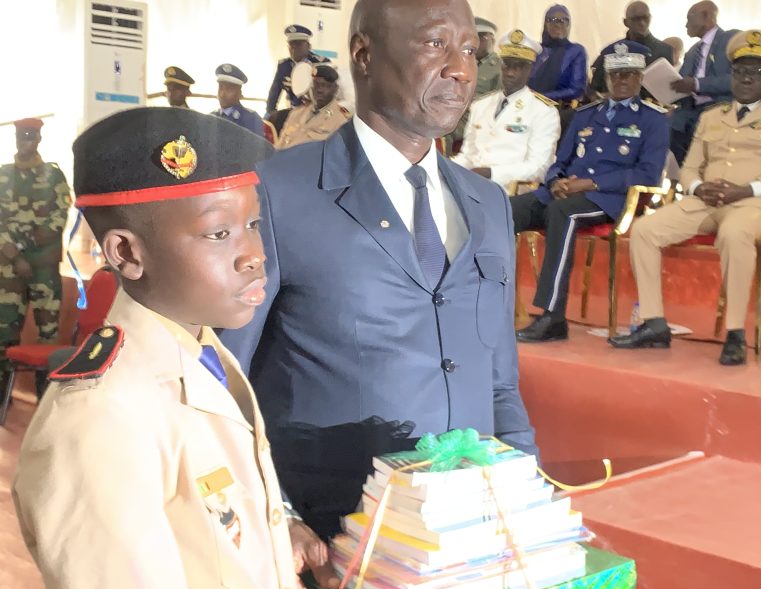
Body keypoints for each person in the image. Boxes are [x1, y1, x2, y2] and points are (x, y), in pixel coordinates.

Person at [220, 0, 537, 540]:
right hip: (332, 534)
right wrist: (277, 517)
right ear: (363, 54)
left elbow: (499, 379)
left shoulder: (487, 204)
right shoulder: (277, 191)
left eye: (468, 50)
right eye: (436, 44)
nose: (461, 69)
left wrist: (526, 493)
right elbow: (222, 379)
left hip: (468, 532)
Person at [11, 108, 336, 589]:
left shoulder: (205, 351)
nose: (254, 254)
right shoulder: (104, 417)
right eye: (218, 234)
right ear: (126, 252)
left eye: (252, 224)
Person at [610, 30, 761, 366]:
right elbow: (688, 168)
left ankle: (735, 334)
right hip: (705, 201)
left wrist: (749, 189)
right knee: (644, 230)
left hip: (755, 203)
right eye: (740, 71)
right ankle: (655, 323)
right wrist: (697, 187)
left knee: (734, 235)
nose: (746, 78)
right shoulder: (712, 116)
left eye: (756, 72)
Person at [510, 42, 669, 343]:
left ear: (639, 78)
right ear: (606, 79)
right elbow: (560, 161)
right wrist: (556, 180)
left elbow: (648, 173)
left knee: (561, 213)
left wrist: (591, 184)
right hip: (566, 192)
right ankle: (491, 301)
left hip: (611, 199)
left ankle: (552, 316)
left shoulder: (653, 119)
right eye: (615, 75)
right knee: (505, 210)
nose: (621, 81)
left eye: (628, 74)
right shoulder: (585, 115)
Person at [0, 118, 72, 411]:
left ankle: (45, 398)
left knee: (48, 335)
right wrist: (16, 256)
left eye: (30, 136)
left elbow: (60, 215)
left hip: (43, 266)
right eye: (21, 136)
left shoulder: (54, 176)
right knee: (6, 330)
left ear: (39, 139)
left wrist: (31, 245)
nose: (25, 141)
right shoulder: (2, 175)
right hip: (11, 268)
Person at [453, 29, 561, 186]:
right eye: (506, 65)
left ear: (530, 70)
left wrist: (492, 173)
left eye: (519, 67)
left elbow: (540, 168)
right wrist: (445, 167)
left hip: (509, 190)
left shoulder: (543, 111)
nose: (510, 73)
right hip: (471, 184)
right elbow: (468, 155)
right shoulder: (480, 105)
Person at [669, 1, 738, 165]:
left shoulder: (731, 39)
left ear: (707, 16)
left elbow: (736, 79)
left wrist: (697, 84)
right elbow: (682, 83)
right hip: (690, 108)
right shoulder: (693, 51)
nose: (686, 24)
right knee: (662, 127)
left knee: (701, 128)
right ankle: (686, 175)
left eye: (689, 18)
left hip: (720, 107)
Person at [443, 16, 504, 155]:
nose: (477, 44)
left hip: (476, 116)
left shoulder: (500, 67)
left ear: (491, 40)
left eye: (482, 38)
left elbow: (499, 100)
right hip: (454, 107)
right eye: (474, 39)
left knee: (445, 132)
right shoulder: (465, 62)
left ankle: (442, 171)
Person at [590, 2, 674, 97]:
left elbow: (667, 92)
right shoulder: (611, 51)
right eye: (636, 19)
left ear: (650, 18)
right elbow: (595, 88)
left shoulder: (664, 51)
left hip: (650, 108)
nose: (642, 23)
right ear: (626, 22)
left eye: (645, 18)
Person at [277, 64, 351, 149]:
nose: (319, 90)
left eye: (325, 85)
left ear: (335, 89)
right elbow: (279, 147)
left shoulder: (341, 120)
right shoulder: (295, 113)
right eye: (316, 84)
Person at [528, 5, 588, 109]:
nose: (557, 24)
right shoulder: (536, 50)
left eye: (563, 20)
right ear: (545, 23)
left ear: (568, 24)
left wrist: (541, 97)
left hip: (559, 109)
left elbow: (576, 89)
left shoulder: (575, 51)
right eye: (552, 20)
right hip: (528, 106)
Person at [266, 25, 330, 116]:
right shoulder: (284, 66)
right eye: (291, 44)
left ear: (308, 46)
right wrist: (270, 112)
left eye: (298, 44)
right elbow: (274, 92)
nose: (294, 48)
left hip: (317, 113)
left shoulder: (321, 64)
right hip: (294, 113)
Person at [211, 63, 264, 137]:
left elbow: (256, 147)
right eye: (221, 88)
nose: (222, 94)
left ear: (240, 93)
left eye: (228, 89)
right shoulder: (211, 117)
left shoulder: (251, 119)